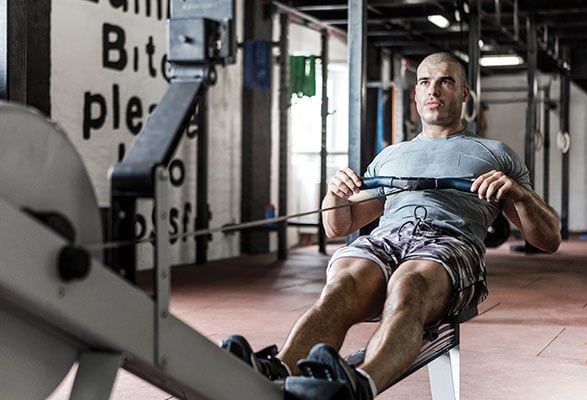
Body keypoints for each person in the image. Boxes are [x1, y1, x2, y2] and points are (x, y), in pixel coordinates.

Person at [222, 52, 561, 399]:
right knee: (341, 287)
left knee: (408, 285)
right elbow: (340, 225)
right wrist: (334, 195)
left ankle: (360, 384)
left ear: (464, 94)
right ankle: (280, 367)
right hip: (386, 239)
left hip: (449, 241)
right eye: (425, 82)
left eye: (446, 81)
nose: (434, 90)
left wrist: (520, 195)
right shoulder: (390, 156)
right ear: (415, 95)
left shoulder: (495, 153)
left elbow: (549, 239)